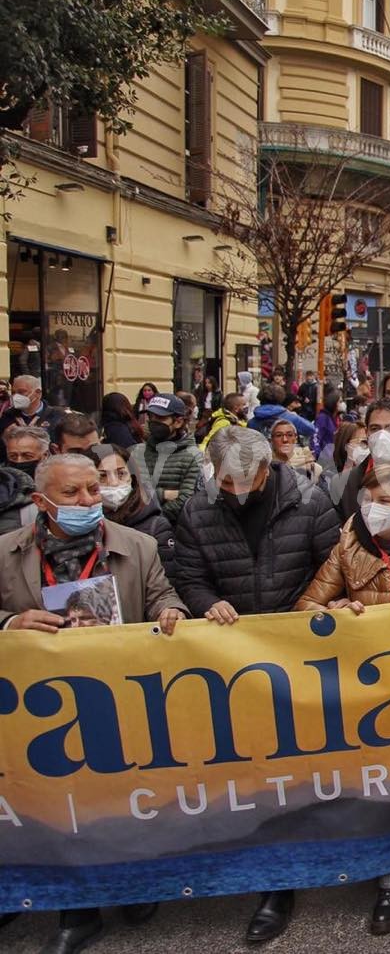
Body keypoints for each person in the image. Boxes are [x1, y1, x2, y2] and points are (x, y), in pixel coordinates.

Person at [0, 452, 186, 954]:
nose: (89, 500)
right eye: (73, 493)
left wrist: (170, 612)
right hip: (43, 714)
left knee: (126, 800)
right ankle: (77, 912)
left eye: (93, 489)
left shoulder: (138, 545)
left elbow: (164, 597)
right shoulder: (5, 552)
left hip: (118, 699)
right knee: (62, 807)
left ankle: (137, 886)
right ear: (41, 501)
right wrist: (10, 624)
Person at [171, 426, 341, 945]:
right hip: (233, 656)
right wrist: (205, 605)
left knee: (308, 761)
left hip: (301, 650)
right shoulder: (197, 510)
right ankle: (274, 882)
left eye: (247, 479)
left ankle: (326, 847)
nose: (237, 490)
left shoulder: (311, 500)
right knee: (256, 766)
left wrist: (306, 612)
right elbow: (190, 576)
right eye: (226, 482)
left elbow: (331, 567)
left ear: (268, 468)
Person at [294, 462, 390, 936]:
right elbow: (304, 606)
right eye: (366, 499)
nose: (372, 510)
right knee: (386, 782)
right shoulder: (347, 546)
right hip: (370, 688)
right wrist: (336, 608)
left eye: (383, 501)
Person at [93, 444, 177, 577]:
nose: (114, 483)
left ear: (132, 477)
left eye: (121, 473)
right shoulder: (86, 527)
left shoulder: (155, 526)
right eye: (102, 476)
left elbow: (167, 583)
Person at [138, 393, 204, 523]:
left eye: (160, 418)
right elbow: (131, 495)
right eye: (151, 417)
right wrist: (164, 494)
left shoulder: (193, 456)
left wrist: (152, 519)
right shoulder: (138, 452)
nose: (153, 422)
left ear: (178, 422)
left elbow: (185, 500)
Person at [0, 374, 67, 462]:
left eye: (21, 392)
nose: (16, 396)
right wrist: (5, 438)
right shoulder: (7, 416)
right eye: (13, 392)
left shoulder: (57, 415)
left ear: (38, 393)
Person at [269, 417, 326, 489]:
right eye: (279, 435)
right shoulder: (264, 468)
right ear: (271, 440)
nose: (285, 440)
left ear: (295, 439)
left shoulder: (313, 468)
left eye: (289, 435)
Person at [313, 389, 343, 460]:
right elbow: (315, 438)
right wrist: (319, 456)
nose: (342, 404)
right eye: (340, 402)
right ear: (333, 403)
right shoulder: (322, 418)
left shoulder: (338, 418)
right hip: (325, 461)